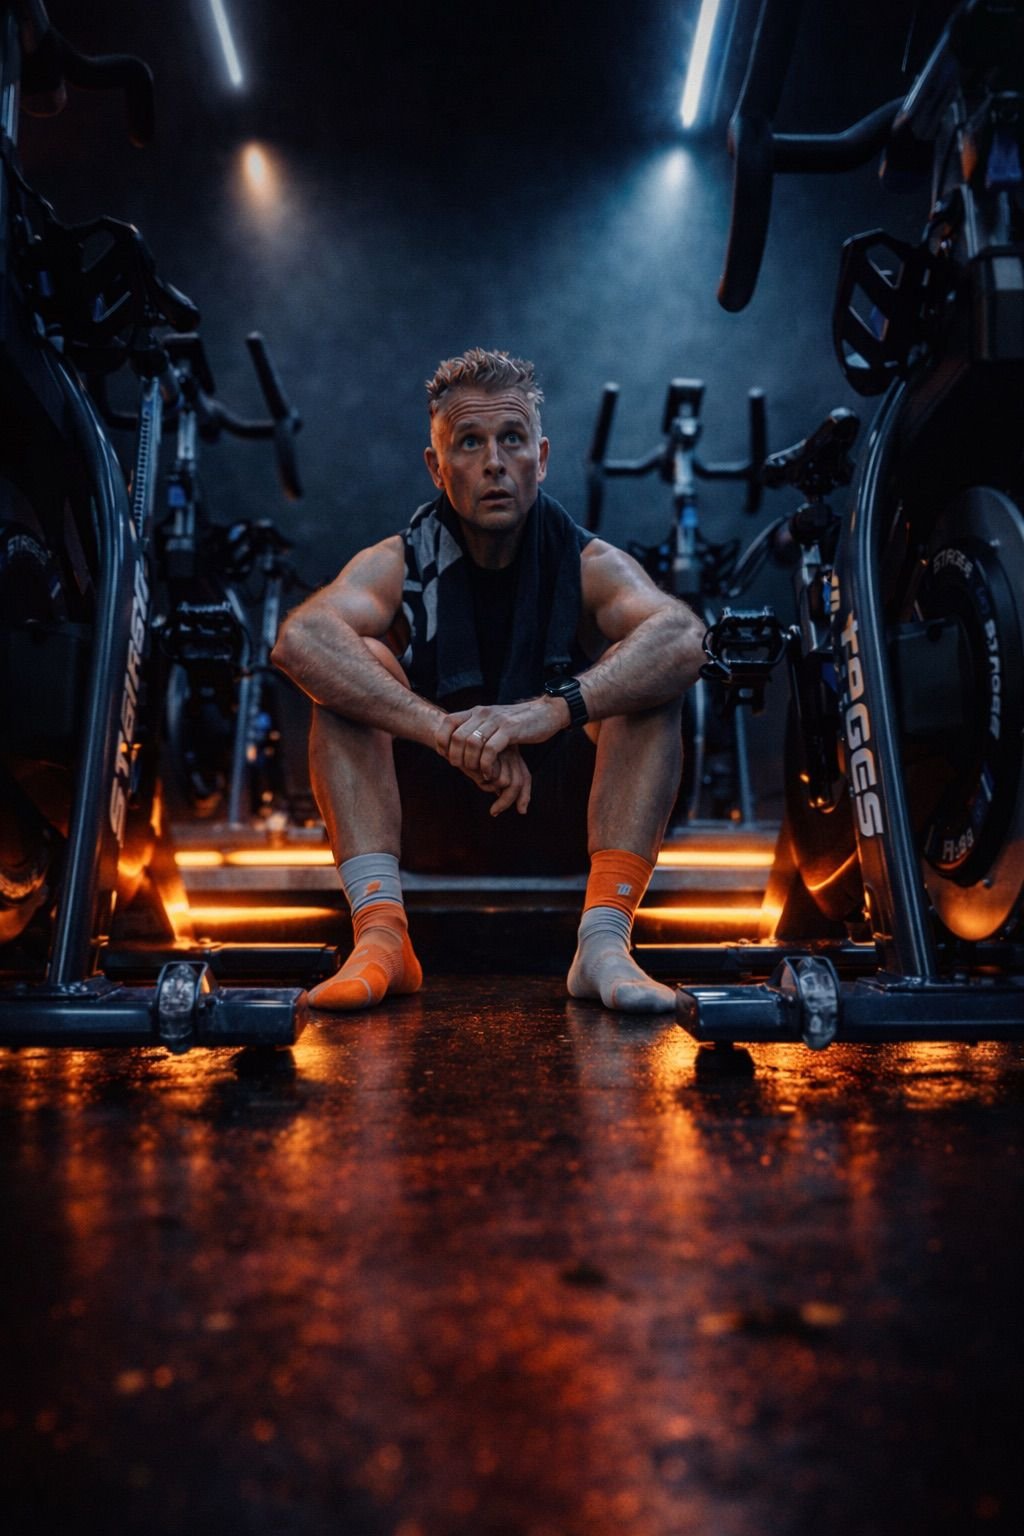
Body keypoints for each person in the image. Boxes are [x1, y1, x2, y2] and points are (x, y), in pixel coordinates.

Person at [271, 348, 706, 1013]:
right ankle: (383, 937)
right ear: (436, 467)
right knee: (352, 666)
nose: (494, 462)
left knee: (647, 674)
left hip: (565, 821)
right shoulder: (398, 561)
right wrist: (447, 733)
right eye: (469, 443)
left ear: (543, 457)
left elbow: (684, 638)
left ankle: (604, 942)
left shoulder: (586, 561)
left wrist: (546, 713)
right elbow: (300, 640)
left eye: (512, 439)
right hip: (429, 816)